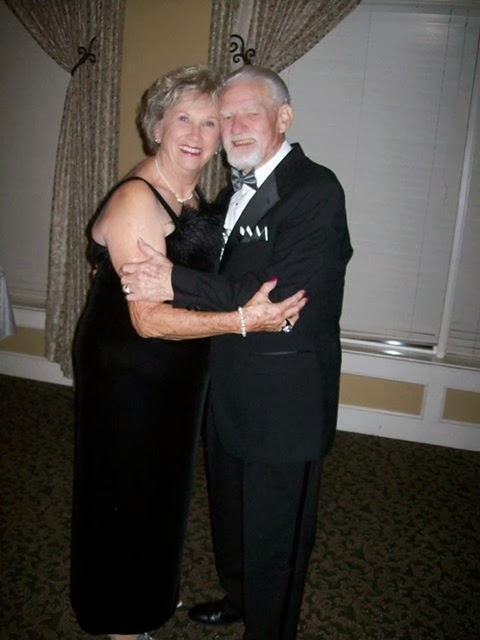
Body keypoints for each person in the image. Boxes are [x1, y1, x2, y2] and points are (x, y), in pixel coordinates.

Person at [70, 64, 307, 640]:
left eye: (209, 122)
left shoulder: (193, 194)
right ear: (157, 127)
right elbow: (147, 320)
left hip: (175, 370)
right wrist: (244, 321)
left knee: (161, 490)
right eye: (184, 119)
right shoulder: (139, 198)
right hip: (129, 371)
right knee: (125, 491)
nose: (198, 135)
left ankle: (147, 596)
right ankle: (119, 619)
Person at [120, 65, 353, 640]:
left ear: (284, 117)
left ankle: (269, 628)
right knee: (233, 515)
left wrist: (172, 279)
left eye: (250, 112)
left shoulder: (315, 190)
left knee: (276, 534)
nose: (235, 126)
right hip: (226, 388)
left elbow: (273, 293)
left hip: (284, 401)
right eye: (225, 116)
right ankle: (240, 596)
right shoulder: (231, 191)